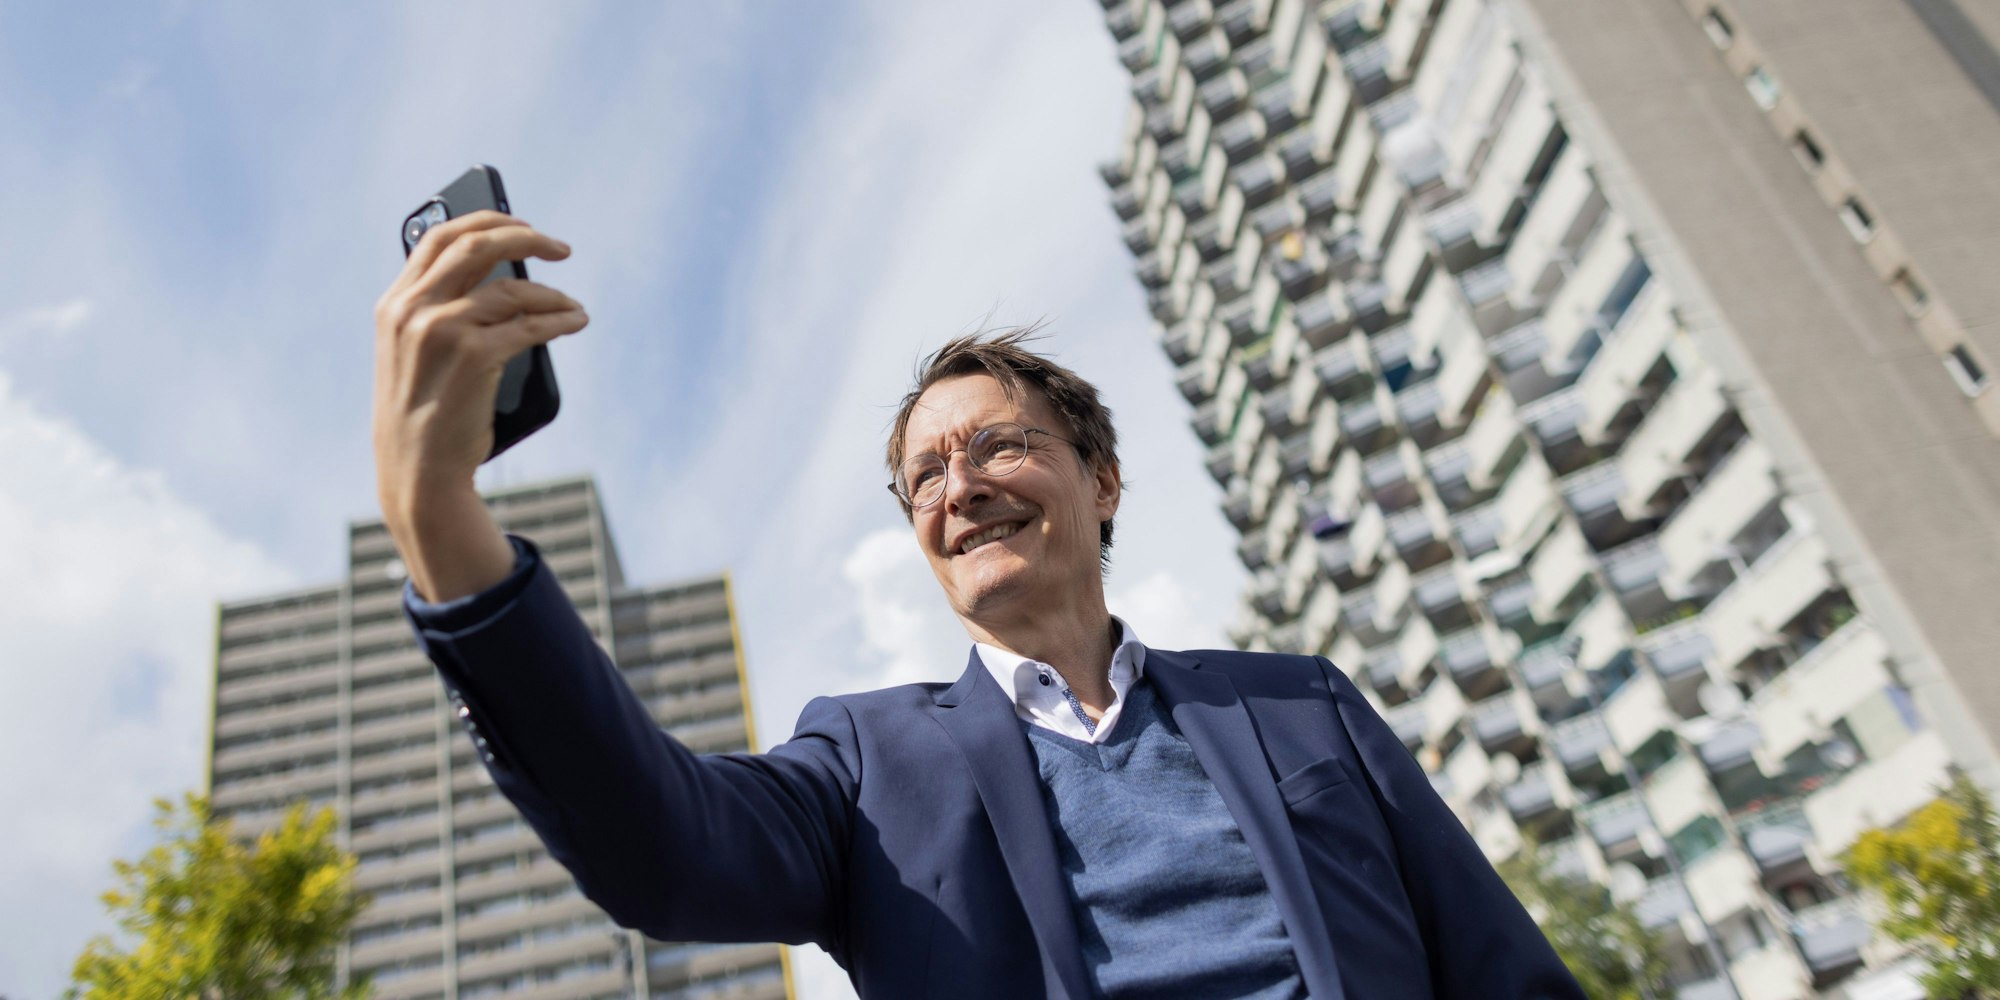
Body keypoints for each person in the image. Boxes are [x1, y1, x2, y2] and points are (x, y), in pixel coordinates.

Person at [372, 211, 1587, 1000]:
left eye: (999, 445)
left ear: (1100, 479)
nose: (960, 490)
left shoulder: (1298, 703)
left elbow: (1502, 969)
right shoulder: (862, 762)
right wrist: (443, 522)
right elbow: (663, 852)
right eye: (923, 478)